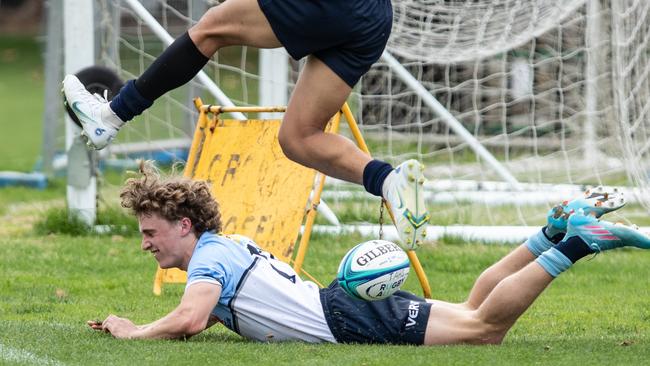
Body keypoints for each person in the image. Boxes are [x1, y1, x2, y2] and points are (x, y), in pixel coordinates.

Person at [89, 162, 650, 344]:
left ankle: (577, 243)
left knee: (486, 329)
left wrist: (132, 331)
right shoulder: (220, 248)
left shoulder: (209, 261)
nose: (145, 243)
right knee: (473, 308)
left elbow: (190, 317)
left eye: (150, 232)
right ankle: (554, 231)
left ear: (182, 225)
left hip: (343, 318)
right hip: (340, 305)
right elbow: (209, 316)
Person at [62, 0, 428, 250]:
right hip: (373, 19)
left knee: (210, 29)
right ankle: (388, 181)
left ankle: (112, 115)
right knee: (299, 137)